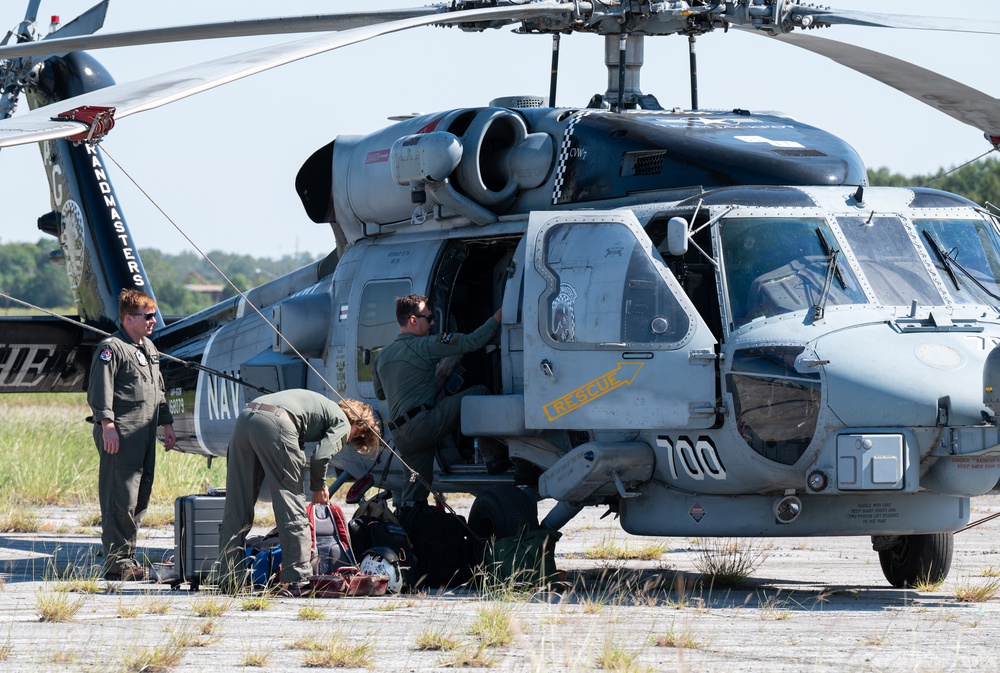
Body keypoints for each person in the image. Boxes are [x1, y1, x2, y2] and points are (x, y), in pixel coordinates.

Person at [217, 390, 379, 593]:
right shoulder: (344, 422)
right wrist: (318, 488)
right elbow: (320, 456)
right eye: (354, 437)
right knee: (290, 501)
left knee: (237, 505)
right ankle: (297, 578)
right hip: (276, 423)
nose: (349, 439)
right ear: (357, 426)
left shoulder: (320, 406)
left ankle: (228, 576)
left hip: (245, 419)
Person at [372, 294, 506, 507]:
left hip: (400, 435)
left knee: (414, 493)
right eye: (428, 317)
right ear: (413, 320)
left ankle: (408, 528)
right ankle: (494, 458)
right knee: (479, 391)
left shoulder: (383, 354)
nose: (432, 322)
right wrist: (500, 315)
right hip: (423, 426)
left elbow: (380, 394)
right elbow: (474, 341)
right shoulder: (426, 345)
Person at [87, 288, 176, 581]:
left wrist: (166, 423)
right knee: (119, 498)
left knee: (139, 498)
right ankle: (116, 564)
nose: (153, 320)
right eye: (147, 316)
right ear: (128, 318)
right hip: (121, 434)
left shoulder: (148, 348)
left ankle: (128, 558)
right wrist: (107, 425)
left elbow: (158, 390)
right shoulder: (111, 348)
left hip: (145, 434)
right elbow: (100, 390)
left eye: (154, 315)